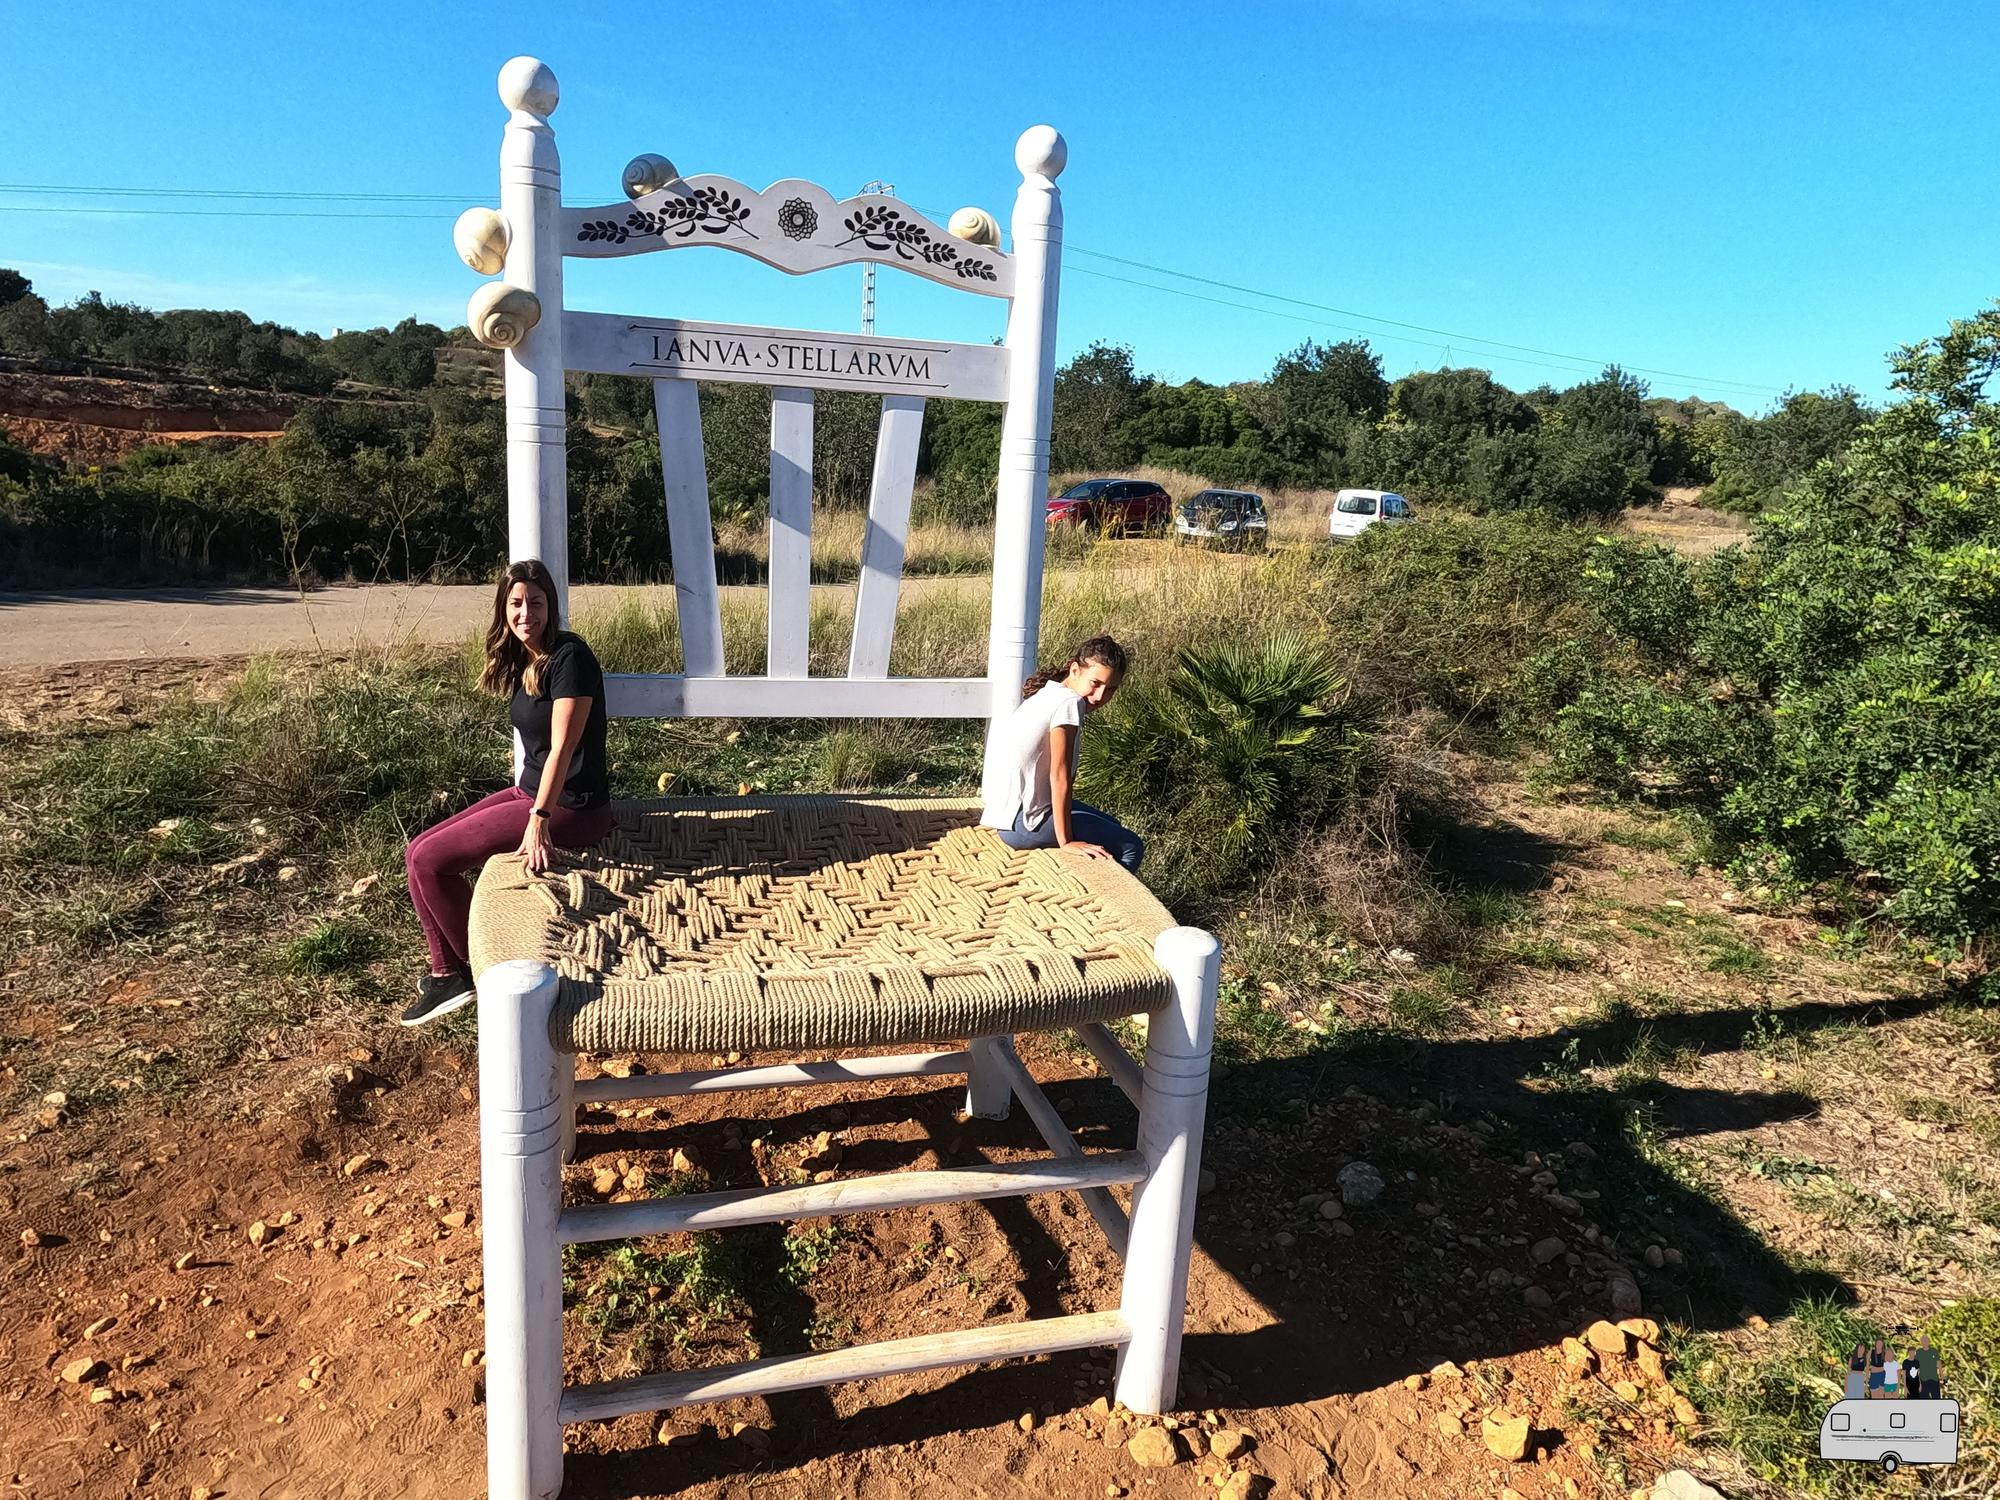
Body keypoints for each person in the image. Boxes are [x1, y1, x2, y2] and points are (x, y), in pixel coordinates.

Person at [399, 559, 614, 1026]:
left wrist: (539, 821)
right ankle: (446, 971)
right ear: (504, 608)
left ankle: (471, 973)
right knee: (417, 850)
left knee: (431, 862)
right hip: (531, 791)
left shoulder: (569, 658)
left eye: (535, 603)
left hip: (571, 809)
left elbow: (564, 746)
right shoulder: (529, 657)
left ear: (550, 606)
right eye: (515, 603)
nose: (525, 613)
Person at [980, 635, 1144, 872]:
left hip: (1007, 816)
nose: (1100, 696)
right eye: (1095, 683)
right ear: (1075, 670)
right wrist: (1066, 841)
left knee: (1113, 827)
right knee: (1130, 846)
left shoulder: (1049, 693)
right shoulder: (1069, 703)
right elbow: (1060, 775)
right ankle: (1107, 904)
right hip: (1023, 824)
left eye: (1110, 689)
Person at [1914, 1334, 1941, 1399]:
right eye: (1923, 1341)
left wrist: (1941, 1375)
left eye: (1926, 1341)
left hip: (1934, 1378)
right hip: (1923, 1380)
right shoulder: (1918, 1352)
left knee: (1936, 1398)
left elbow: (1938, 1363)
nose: (1925, 1342)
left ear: (1929, 1341)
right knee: (1923, 1399)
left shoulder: (1934, 1351)